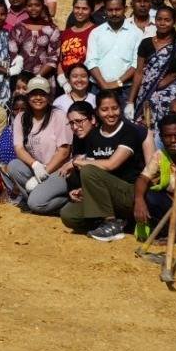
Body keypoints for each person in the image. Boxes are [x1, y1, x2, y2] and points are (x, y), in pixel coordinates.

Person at [59, 92, 146, 241]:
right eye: (105, 109)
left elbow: (112, 164)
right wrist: (84, 190)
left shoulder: (129, 132)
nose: (111, 113)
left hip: (128, 192)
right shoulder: (94, 135)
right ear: (97, 112)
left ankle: (111, 224)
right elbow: (95, 172)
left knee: (88, 170)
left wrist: (77, 162)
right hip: (107, 194)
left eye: (115, 108)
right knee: (69, 215)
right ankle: (118, 221)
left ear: (120, 108)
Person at [0, 77, 72, 212]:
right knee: (14, 165)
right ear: (28, 96)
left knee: (35, 203)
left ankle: (66, 200)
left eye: (42, 94)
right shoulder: (21, 117)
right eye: (33, 94)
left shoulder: (59, 116)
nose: (38, 98)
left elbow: (64, 152)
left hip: (58, 171)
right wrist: (35, 165)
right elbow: (19, 148)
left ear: (49, 96)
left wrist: (44, 173)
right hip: (37, 168)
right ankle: (36, 200)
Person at [127, 6, 176, 127]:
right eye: (159, 19)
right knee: (145, 127)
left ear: (174, 22)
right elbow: (139, 73)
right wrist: (130, 101)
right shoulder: (146, 43)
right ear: (155, 21)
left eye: (167, 20)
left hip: (170, 97)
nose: (162, 23)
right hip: (146, 95)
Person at [85, 0, 142, 97]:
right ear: (105, 11)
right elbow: (91, 61)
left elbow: (136, 64)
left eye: (117, 9)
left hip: (125, 90)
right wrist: (103, 84)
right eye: (110, 10)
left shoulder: (136, 33)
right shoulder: (96, 33)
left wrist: (117, 83)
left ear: (125, 9)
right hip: (97, 88)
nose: (114, 13)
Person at [11, 0, 61, 81]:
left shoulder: (52, 29)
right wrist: (22, 76)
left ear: (42, 6)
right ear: (25, 7)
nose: (33, 9)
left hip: (44, 78)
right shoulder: (18, 27)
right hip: (21, 78)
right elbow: (12, 51)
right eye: (29, 6)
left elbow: (53, 57)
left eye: (37, 5)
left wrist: (37, 77)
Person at [58, 0, 95, 76]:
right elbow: (61, 60)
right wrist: (62, 79)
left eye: (84, 9)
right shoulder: (65, 33)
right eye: (77, 8)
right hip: (65, 79)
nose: (80, 12)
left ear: (91, 11)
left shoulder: (96, 31)